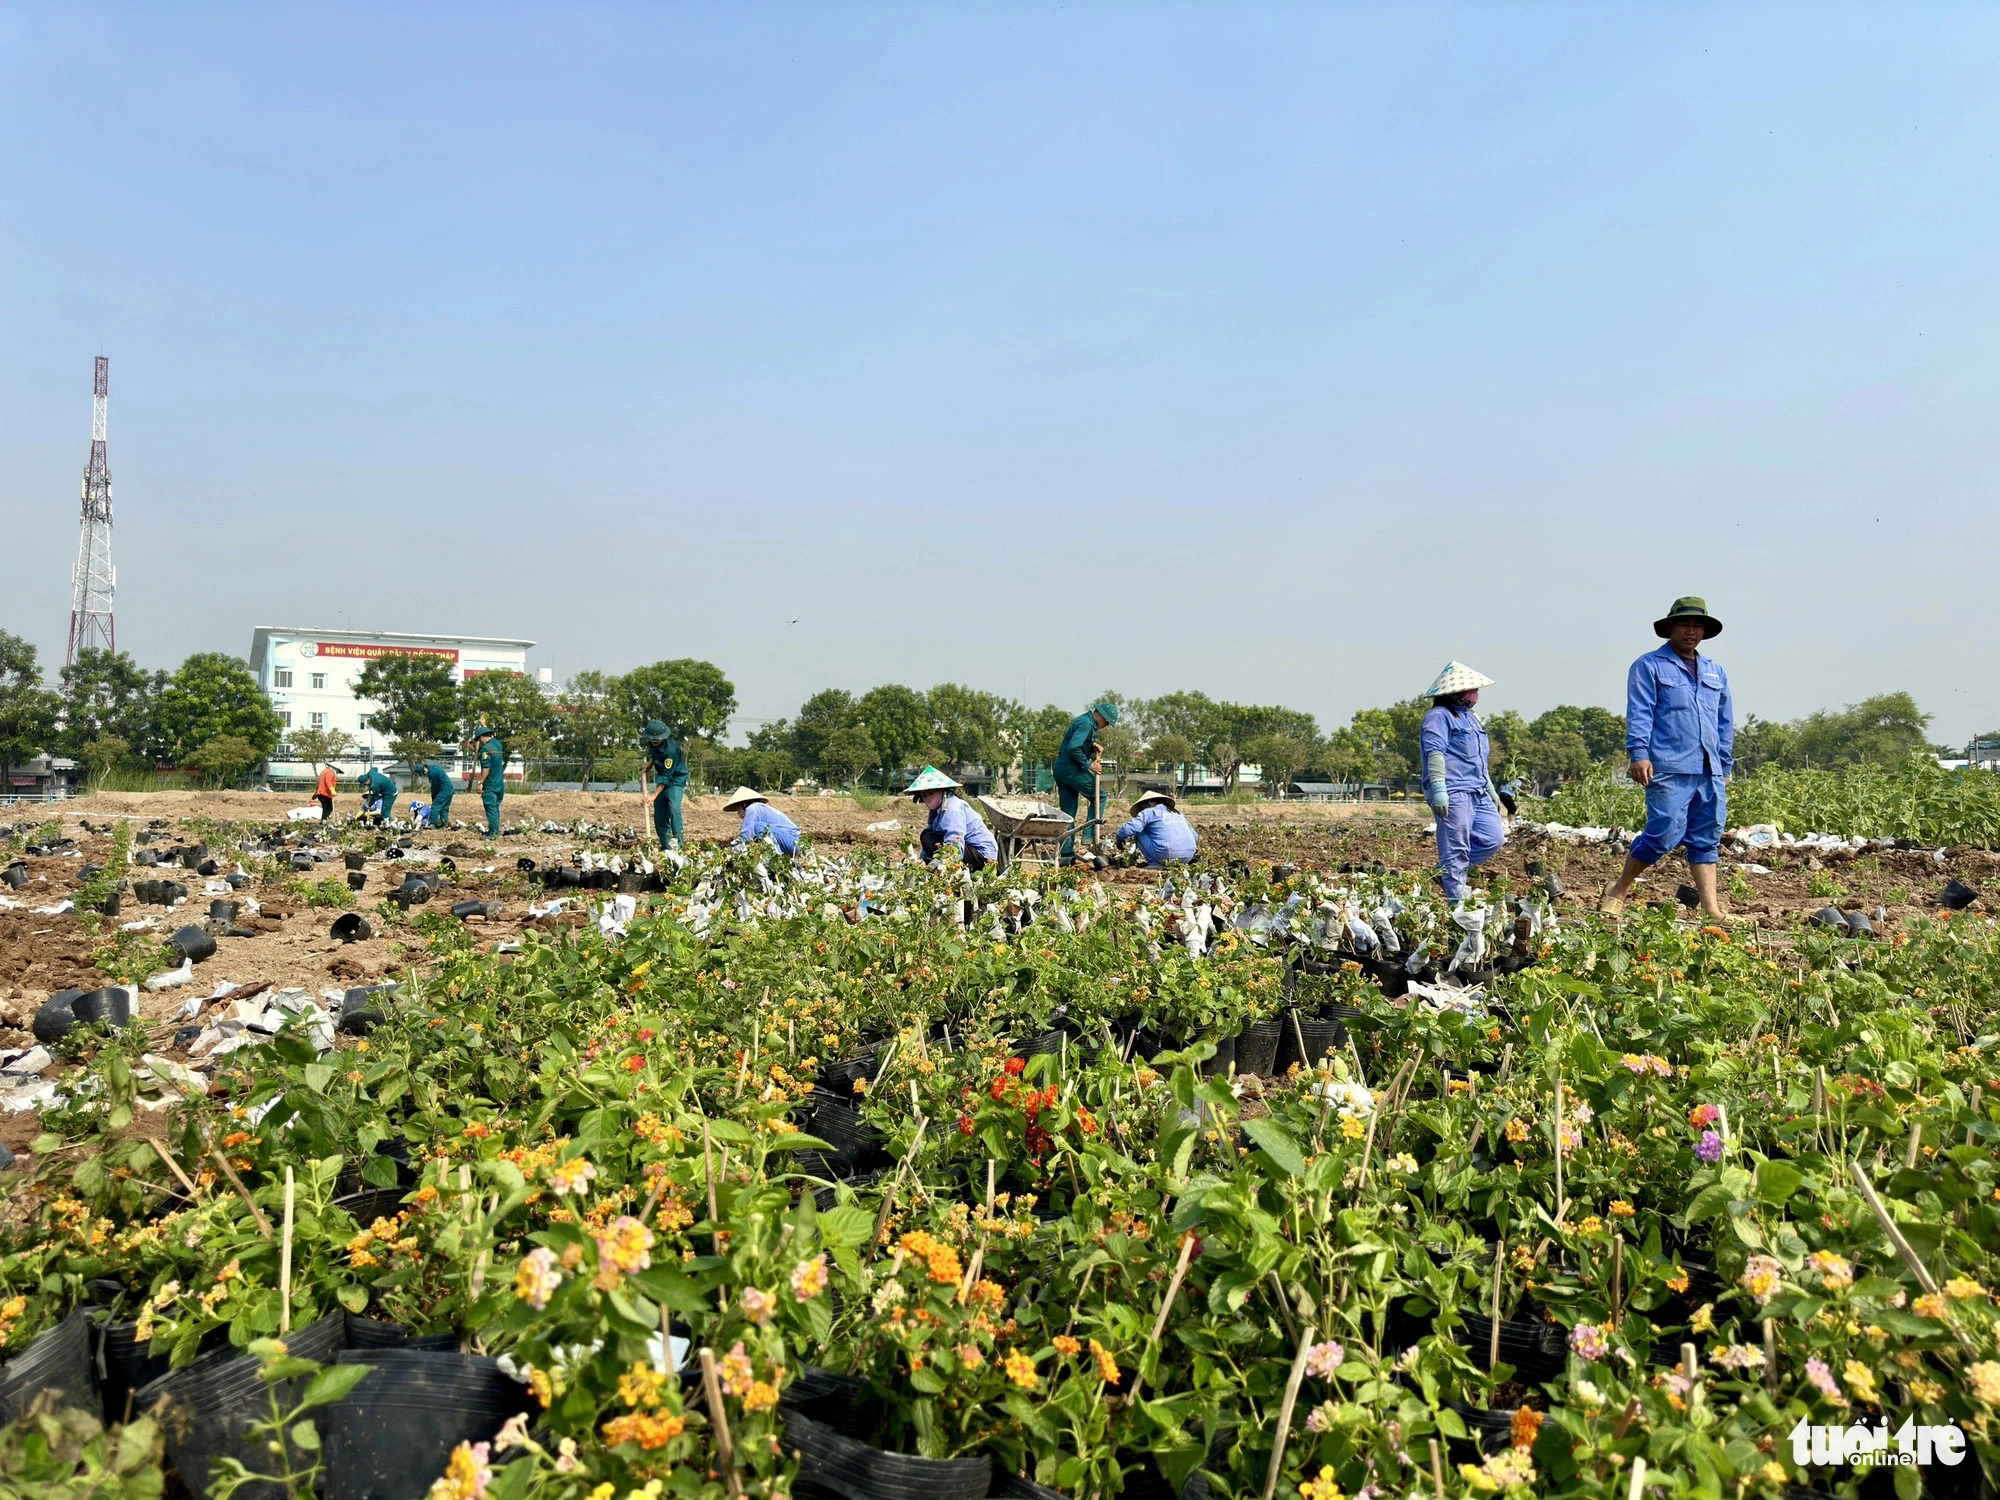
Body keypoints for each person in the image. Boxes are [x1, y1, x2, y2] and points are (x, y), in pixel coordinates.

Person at [1599, 597, 1735, 920]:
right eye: (1685, 624)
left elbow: (1724, 721)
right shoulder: (1649, 666)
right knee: (1663, 833)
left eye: (1697, 625)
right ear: (1670, 628)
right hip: (1669, 767)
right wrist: (1639, 753)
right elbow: (1640, 712)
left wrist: (1725, 764)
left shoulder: (1715, 672)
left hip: (1709, 769)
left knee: (1706, 837)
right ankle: (1619, 888)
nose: (1691, 631)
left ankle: (1711, 910)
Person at [1419, 662, 1507, 904]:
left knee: (1493, 838)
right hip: (1454, 791)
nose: (1475, 695)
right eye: (1471, 690)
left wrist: (1490, 789)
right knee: (1456, 849)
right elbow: (1434, 753)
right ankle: (1458, 907)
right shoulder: (1438, 717)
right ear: (1455, 693)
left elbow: (1478, 758)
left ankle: (1445, 872)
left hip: (1477, 790)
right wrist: (1438, 788)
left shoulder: (1471, 718)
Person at [1053, 700, 1118, 865]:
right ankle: (1089, 835)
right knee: (1100, 797)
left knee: (1068, 813)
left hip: (1061, 770)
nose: (1106, 726)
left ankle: (1066, 854)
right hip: (1072, 770)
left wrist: (1092, 747)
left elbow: (1077, 745)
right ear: (1102, 717)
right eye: (1107, 722)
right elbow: (1073, 748)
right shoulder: (1086, 724)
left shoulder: (1084, 721)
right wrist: (1089, 765)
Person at [906, 766, 999, 872]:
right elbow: (931, 833)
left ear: (942, 791)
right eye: (924, 795)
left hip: (982, 855)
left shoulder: (953, 808)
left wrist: (947, 865)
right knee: (927, 836)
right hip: (967, 850)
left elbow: (955, 840)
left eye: (931, 793)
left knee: (929, 838)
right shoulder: (936, 811)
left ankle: (952, 869)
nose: (927, 798)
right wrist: (923, 860)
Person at [1114, 789, 1199, 866]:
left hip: (1167, 855)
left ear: (1149, 803)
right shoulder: (1178, 814)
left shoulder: (1149, 812)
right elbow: (1195, 836)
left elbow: (1129, 829)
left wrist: (1118, 838)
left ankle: (1154, 864)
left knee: (1138, 833)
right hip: (1188, 856)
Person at [640, 719, 688, 850]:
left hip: (675, 781)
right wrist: (649, 765)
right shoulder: (652, 744)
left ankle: (679, 846)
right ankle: (666, 847)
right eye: (652, 740)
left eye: (657, 740)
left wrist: (654, 795)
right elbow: (654, 756)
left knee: (673, 809)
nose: (654, 743)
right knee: (660, 814)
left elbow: (666, 776)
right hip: (663, 780)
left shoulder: (671, 751)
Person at [722, 786, 800, 855]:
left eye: (738, 810)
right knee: (758, 836)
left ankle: (775, 857)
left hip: (792, 841)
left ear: (744, 805)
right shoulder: (759, 808)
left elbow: (746, 835)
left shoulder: (752, 808)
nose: (739, 814)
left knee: (760, 827)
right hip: (791, 841)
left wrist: (729, 851)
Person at [467, 725, 506, 838]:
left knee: (490, 808)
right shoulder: (498, 744)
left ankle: (493, 833)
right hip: (499, 783)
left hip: (490, 784)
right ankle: (496, 831)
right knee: (496, 807)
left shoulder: (485, 749)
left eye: (479, 739)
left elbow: (486, 768)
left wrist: (481, 783)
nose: (480, 742)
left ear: (482, 737)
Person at [417, 758, 454, 828]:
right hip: (450, 789)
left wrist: (434, 798)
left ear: (424, 769)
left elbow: (434, 787)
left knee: (435, 806)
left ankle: (433, 823)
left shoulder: (431, 774)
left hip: (444, 790)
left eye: (423, 772)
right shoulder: (433, 768)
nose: (424, 774)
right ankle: (444, 823)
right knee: (444, 808)